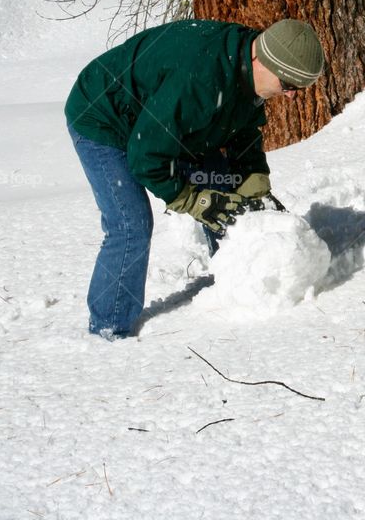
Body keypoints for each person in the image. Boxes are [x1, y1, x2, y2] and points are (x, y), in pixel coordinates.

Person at [65, 18, 326, 339]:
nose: (289, 96)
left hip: (165, 120)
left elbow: (242, 135)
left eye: (297, 90)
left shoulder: (246, 70)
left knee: (230, 195)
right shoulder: (200, 80)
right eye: (288, 85)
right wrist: (196, 200)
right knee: (131, 224)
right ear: (263, 59)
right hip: (103, 116)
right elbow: (146, 158)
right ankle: (108, 327)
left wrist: (257, 191)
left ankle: (241, 285)